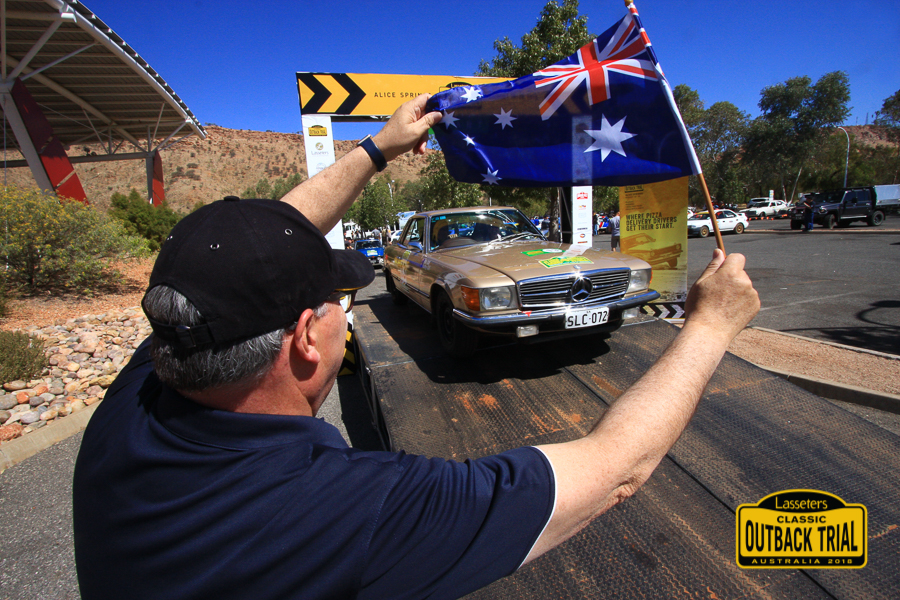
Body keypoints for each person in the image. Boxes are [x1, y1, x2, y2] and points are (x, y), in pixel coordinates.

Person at [72, 94, 759, 600]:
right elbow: (616, 469)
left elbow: (259, 247)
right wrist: (709, 327)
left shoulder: (138, 401)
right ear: (308, 343)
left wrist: (376, 150)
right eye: (337, 303)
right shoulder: (348, 513)